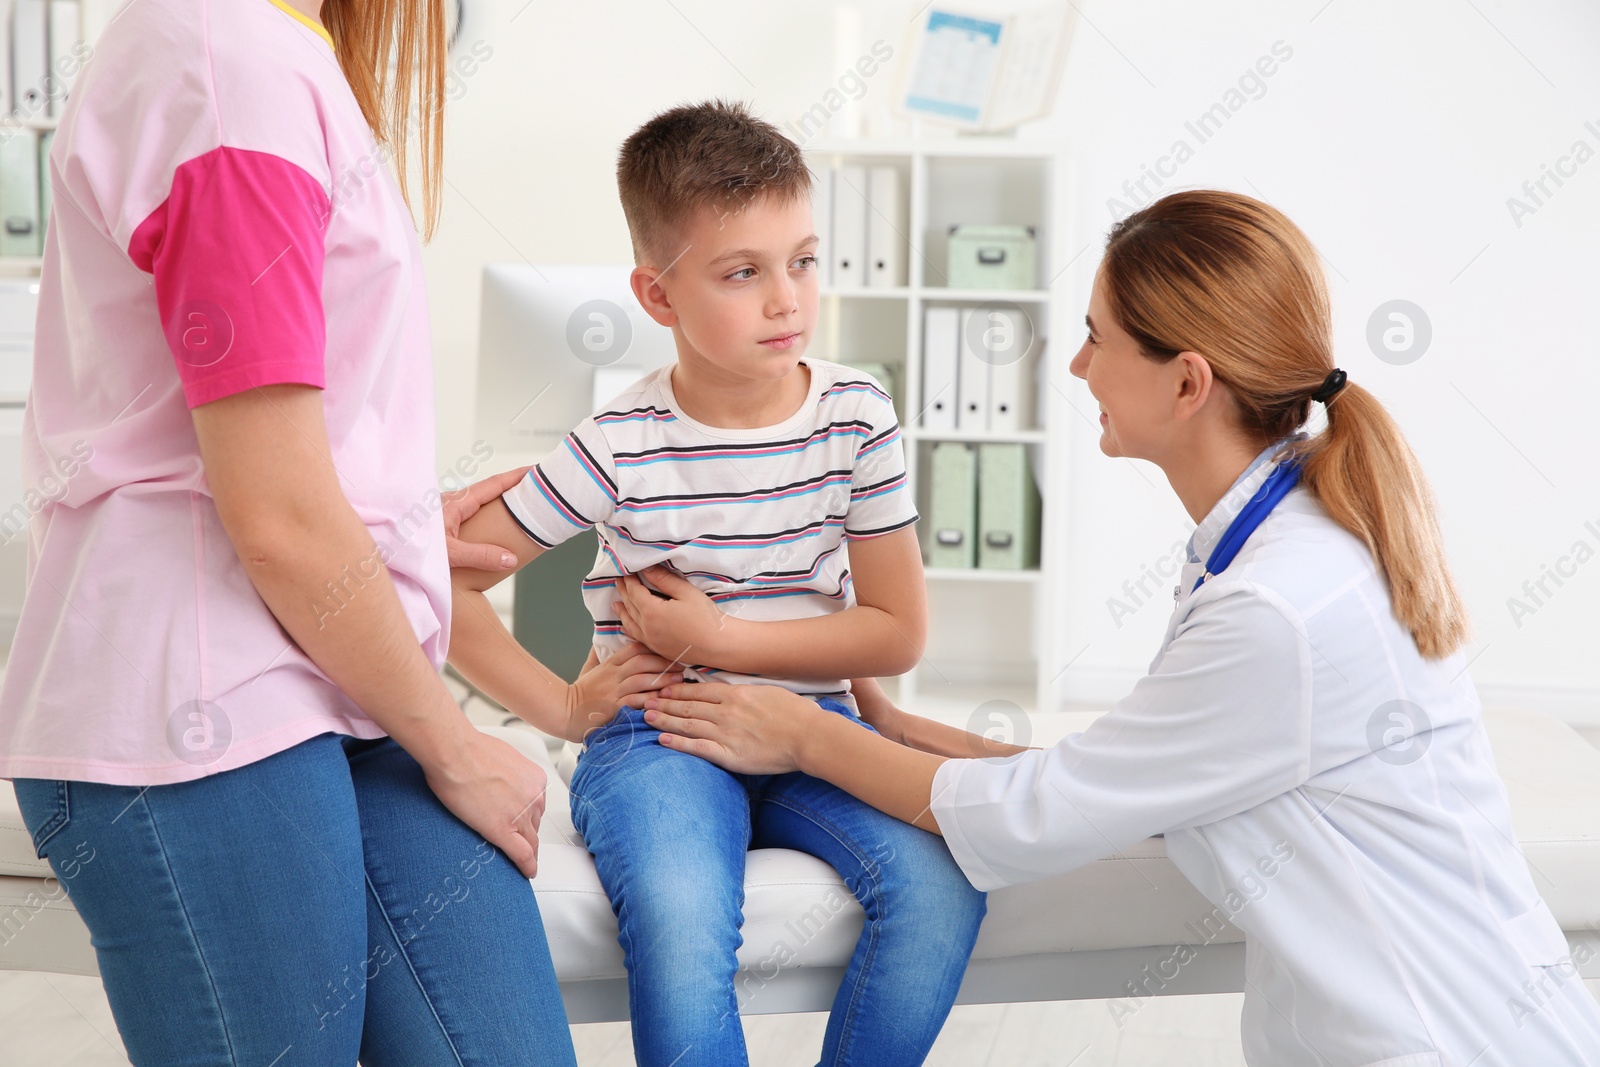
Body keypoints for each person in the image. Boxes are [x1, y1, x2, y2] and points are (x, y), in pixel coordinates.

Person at [633, 191, 1600, 1065]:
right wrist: (901, 730)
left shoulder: (1281, 607)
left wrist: (804, 732)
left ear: (1187, 382)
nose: (1080, 363)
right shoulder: (1277, 540)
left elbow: (1039, 815)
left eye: (1097, 338)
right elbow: (1147, 770)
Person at [0, 0, 671, 1061]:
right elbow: (274, 514)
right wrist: (454, 742)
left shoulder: (279, 55)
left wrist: (387, 531)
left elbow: (284, 461)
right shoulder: (228, 70)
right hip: (204, 698)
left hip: (337, 670)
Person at [446, 100, 987, 1067]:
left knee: (943, 886)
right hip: (665, 743)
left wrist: (726, 643)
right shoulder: (617, 444)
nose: (788, 298)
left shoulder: (857, 417)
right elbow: (440, 587)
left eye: (804, 260)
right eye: (744, 273)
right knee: (682, 917)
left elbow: (896, 632)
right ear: (657, 296)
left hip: (817, 733)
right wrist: (567, 709)